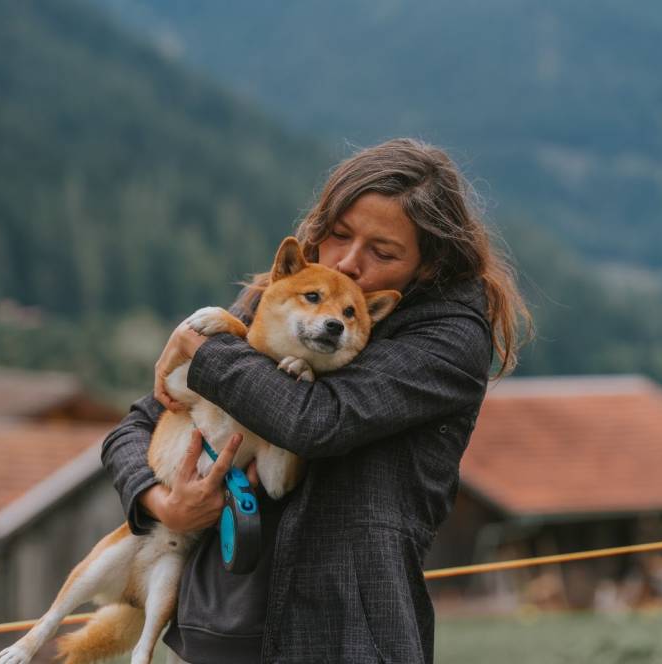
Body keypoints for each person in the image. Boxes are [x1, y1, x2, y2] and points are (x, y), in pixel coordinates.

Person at [101, 138, 531, 663]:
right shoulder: (291, 296)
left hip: (349, 634)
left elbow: (316, 421)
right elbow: (139, 423)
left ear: (427, 265)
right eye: (339, 235)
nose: (349, 263)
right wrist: (161, 501)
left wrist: (206, 348)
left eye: (383, 252)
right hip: (221, 625)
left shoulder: (446, 340)